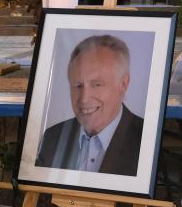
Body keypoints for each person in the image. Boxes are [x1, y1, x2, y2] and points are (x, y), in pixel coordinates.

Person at [35, 34, 144, 176]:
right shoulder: (52, 137)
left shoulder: (145, 141)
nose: (84, 99)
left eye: (97, 84)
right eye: (78, 85)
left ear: (123, 84)